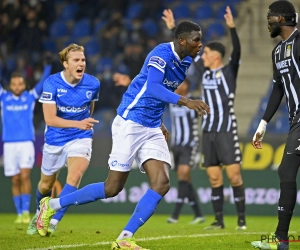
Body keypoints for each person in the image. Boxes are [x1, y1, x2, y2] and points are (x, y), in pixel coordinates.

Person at [35, 21, 210, 249]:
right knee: (112, 188)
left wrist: (160, 123)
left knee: (162, 183)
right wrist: (187, 101)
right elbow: (154, 87)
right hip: (130, 122)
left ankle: (125, 237)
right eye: (196, 39)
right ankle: (52, 206)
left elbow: (157, 95)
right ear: (182, 41)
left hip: (152, 126)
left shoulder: (186, 60)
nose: (201, 44)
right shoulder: (160, 54)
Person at [162, 6, 246, 230]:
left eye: (207, 52)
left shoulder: (229, 72)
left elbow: (237, 51)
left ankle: (241, 221)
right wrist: (173, 28)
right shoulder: (204, 72)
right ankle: (219, 221)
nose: (203, 54)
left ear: (216, 55)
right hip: (207, 132)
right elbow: (188, 50)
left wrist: (232, 28)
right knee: (214, 179)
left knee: (235, 177)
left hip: (227, 130)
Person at [26, 43, 100, 236]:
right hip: (55, 138)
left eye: (83, 60)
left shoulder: (93, 83)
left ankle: (53, 222)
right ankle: (38, 214)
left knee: (74, 177)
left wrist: (82, 127)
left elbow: (89, 109)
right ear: (65, 64)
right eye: (76, 60)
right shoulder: (51, 83)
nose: (81, 63)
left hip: (81, 137)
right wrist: (78, 123)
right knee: (46, 185)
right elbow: (50, 119)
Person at [251, 1, 299, 250]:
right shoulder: (277, 52)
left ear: (282, 19)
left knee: (286, 172)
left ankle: (281, 239)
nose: (268, 21)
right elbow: (278, 89)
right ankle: (281, 240)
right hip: (295, 120)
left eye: (271, 17)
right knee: (286, 172)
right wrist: (263, 123)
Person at [0, 63, 52, 224]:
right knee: (15, 179)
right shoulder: (3, 98)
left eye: (20, 83)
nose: (17, 86)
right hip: (9, 144)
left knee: (24, 176)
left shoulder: (29, 97)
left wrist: (48, 67)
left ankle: (25, 212)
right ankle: (19, 214)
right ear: (10, 85)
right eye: (14, 83)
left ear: (24, 85)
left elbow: (43, 83)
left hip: (26, 143)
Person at [166, 79, 205, 224]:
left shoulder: (193, 102)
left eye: (181, 84)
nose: (178, 87)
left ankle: (175, 215)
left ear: (187, 86)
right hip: (176, 145)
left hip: (190, 144)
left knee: (183, 175)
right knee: (185, 180)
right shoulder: (172, 100)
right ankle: (199, 214)